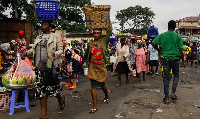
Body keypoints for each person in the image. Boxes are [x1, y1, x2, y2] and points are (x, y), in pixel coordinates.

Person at [23, 20, 65, 119]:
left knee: (52, 89)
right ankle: (44, 115)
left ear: (50, 26)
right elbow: (33, 50)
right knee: (41, 90)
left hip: (50, 67)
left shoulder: (56, 36)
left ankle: (60, 99)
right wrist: (25, 53)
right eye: (41, 24)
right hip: (39, 67)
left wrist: (55, 54)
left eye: (45, 24)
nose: (42, 26)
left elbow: (60, 50)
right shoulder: (38, 37)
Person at [81, 21, 112, 114]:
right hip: (92, 67)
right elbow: (86, 54)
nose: (96, 35)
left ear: (101, 34)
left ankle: (106, 95)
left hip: (101, 67)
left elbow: (110, 31)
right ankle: (95, 106)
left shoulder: (103, 41)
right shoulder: (90, 44)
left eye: (98, 33)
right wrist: (82, 61)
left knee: (102, 85)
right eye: (94, 33)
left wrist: (108, 20)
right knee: (93, 86)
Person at [152, 20, 185, 104]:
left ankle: (166, 98)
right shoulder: (178, 36)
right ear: (175, 27)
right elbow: (181, 49)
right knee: (176, 75)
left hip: (166, 59)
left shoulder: (162, 35)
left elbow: (153, 43)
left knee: (166, 78)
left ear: (168, 26)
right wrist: (183, 60)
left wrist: (159, 50)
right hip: (175, 59)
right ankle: (173, 93)